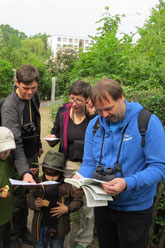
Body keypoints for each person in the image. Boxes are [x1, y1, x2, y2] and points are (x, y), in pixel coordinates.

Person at [78, 79, 165, 248]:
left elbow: (160, 168)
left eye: (108, 108)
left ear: (121, 97)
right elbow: (89, 162)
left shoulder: (148, 122)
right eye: (99, 110)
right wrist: (80, 178)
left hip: (135, 210)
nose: (104, 115)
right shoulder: (94, 125)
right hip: (103, 204)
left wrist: (127, 183)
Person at [45, 80, 96, 248]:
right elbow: (56, 132)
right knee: (64, 201)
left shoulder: (93, 116)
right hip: (67, 164)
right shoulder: (63, 112)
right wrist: (52, 139)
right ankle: (61, 238)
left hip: (88, 166)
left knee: (87, 206)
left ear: (87, 100)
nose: (74, 103)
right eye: (72, 98)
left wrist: (93, 114)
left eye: (78, 100)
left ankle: (83, 240)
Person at [0, 64, 43, 247]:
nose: (30, 92)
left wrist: (38, 144)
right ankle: (12, 236)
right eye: (26, 88)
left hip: (31, 154)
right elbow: (14, 143)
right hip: (15, 158)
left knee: (28, 195)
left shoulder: (34, 97)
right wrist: (24, 171)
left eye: (34, 88)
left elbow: (36, 122)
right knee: (16, 198)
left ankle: (23, 229)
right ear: (16, 82)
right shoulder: (9, 107)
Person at [27, 151, 83, 248]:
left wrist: (67, 208)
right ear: (44, 170)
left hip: (59, 228)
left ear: (61, 173)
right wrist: (34, 203)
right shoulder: (38, 184)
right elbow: (29, 197)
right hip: (40, 227)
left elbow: (79, 200)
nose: (51, 178)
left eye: (54, 175)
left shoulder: (68, 185)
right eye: (48, 174)